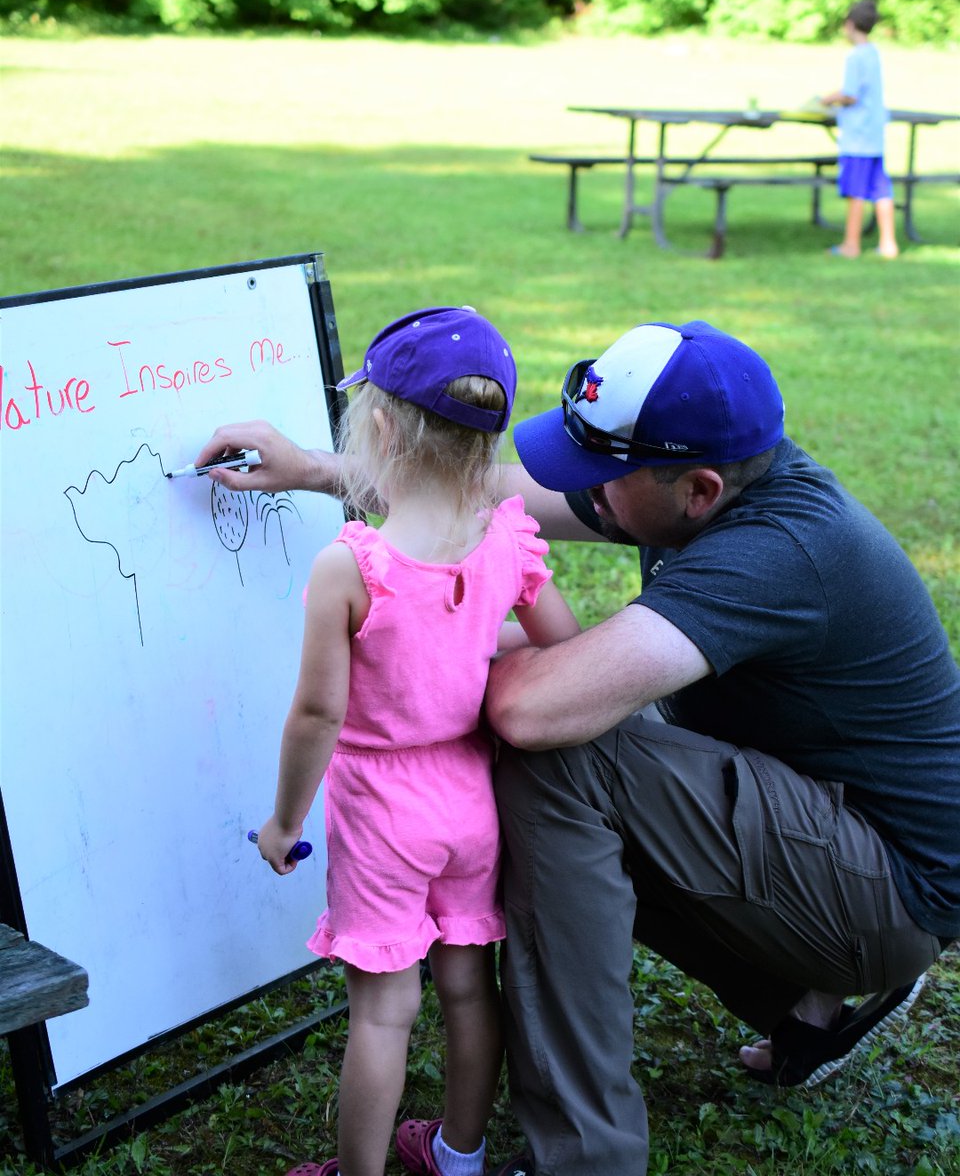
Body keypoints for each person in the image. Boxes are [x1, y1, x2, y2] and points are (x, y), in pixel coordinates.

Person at [199, 318, 959, 1176]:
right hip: (834, 833)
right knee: (595, 737)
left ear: (699, 491)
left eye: (601, 475)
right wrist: (317, 469)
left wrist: (412, 664)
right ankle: (803, 1005)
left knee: (564, 755)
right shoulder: (706, 480)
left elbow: (530, 710)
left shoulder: (777, 552)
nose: (581, 493)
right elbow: (485, 494)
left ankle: (587, 1158)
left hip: (884, 889)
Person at [252, 306, 579, 1176]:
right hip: (472, 800)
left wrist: (284, 825)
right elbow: (559, 638)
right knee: (470, 985)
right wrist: (470, 643)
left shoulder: (353, 567)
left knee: (384, 1011)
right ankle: (457, 1155)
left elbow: (318, 716)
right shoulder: (508, 536)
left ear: (383, 426)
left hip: (382, 810)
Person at [820, 0, 899, 258]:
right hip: (875, 134)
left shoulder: (855, 56)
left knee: (856, 191)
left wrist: (829, 98)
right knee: (881, 189)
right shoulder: (874, 53)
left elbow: (851, 95)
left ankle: (851, 244)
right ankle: (888, 244)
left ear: (850, 24)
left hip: (858, 137)